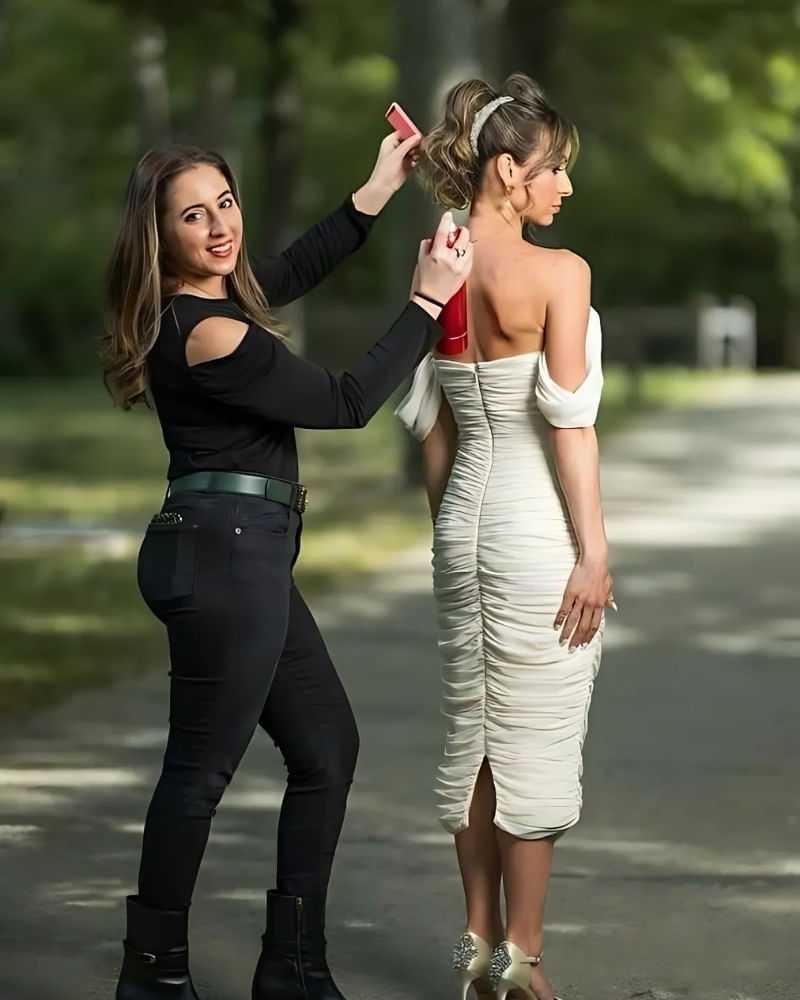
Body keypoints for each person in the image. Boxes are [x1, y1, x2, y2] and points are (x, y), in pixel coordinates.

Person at [102, 133, 473, 1000]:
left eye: (225, 203)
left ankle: (293, 967)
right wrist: (427, 305)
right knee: (198, 774)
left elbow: (291, 268)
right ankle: (151, 975)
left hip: (239, 555)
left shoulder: (204, 304)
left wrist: (375, 188)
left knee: (325, 746)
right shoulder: (210, 335)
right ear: (162, 237)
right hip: (224, 563)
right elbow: (346, 403)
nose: (219, 226)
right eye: (193, 216)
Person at [395, 74, 616, 1000]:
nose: (564, 188)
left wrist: (447, 538)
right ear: (507, 170)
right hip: (535, 530)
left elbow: (434, 432)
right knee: (536, 737)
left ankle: (476, 946)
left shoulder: (436, 258)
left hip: (463, 529)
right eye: (553, 169)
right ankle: (522, 956)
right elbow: (567, 422)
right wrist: (593, 553)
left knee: (474, 739)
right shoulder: (559, 274)